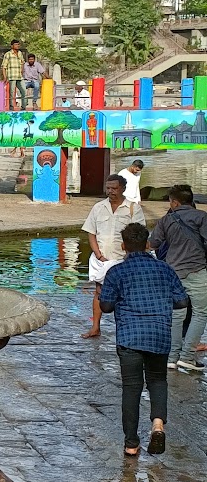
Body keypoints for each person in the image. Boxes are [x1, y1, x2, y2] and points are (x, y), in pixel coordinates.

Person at [100, 222, 187, 456]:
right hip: (159, 335)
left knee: (131, 388)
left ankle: (131, 444)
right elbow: (182, 301)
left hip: (129, 338)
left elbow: (106, 307)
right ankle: (158, 424)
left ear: (123, 246)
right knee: (157, 380)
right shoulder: (165, 269)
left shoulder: (116, 272)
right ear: (148, 244)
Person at [148, 184, 207, 373]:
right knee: (200, 313)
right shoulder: (202, 217)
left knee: (176, 315)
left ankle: (172, 358)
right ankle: (187, 356)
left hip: (172, 273)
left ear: (174, 202)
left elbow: (153, 244)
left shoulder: (166, 220)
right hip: (197, 270)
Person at [82, 174, 145, 338]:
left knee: (124, 295)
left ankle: (125, 329)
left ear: (123, 189)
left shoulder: (132, 208)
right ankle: (95, 327)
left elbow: (139, 234)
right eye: (108, 188)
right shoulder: (98, 207)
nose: (110, 191)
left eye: (114, 188)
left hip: (123, 259)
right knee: (99, 292)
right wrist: (98, 254)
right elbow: (91, 233)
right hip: (101, 258)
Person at [1, 40, 26, 111]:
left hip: (19, 76)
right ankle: (11, 107)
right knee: (12, 93)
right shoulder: (8, 54)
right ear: (12, 46)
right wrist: (5, 77)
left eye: (18, 44)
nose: (17, 46)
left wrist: (22, 69)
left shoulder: (20, 53)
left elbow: (22, 62)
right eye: (16, 44)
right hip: (12, 76)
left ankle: (23, 107)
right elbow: (4, 66)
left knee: (24, 91)